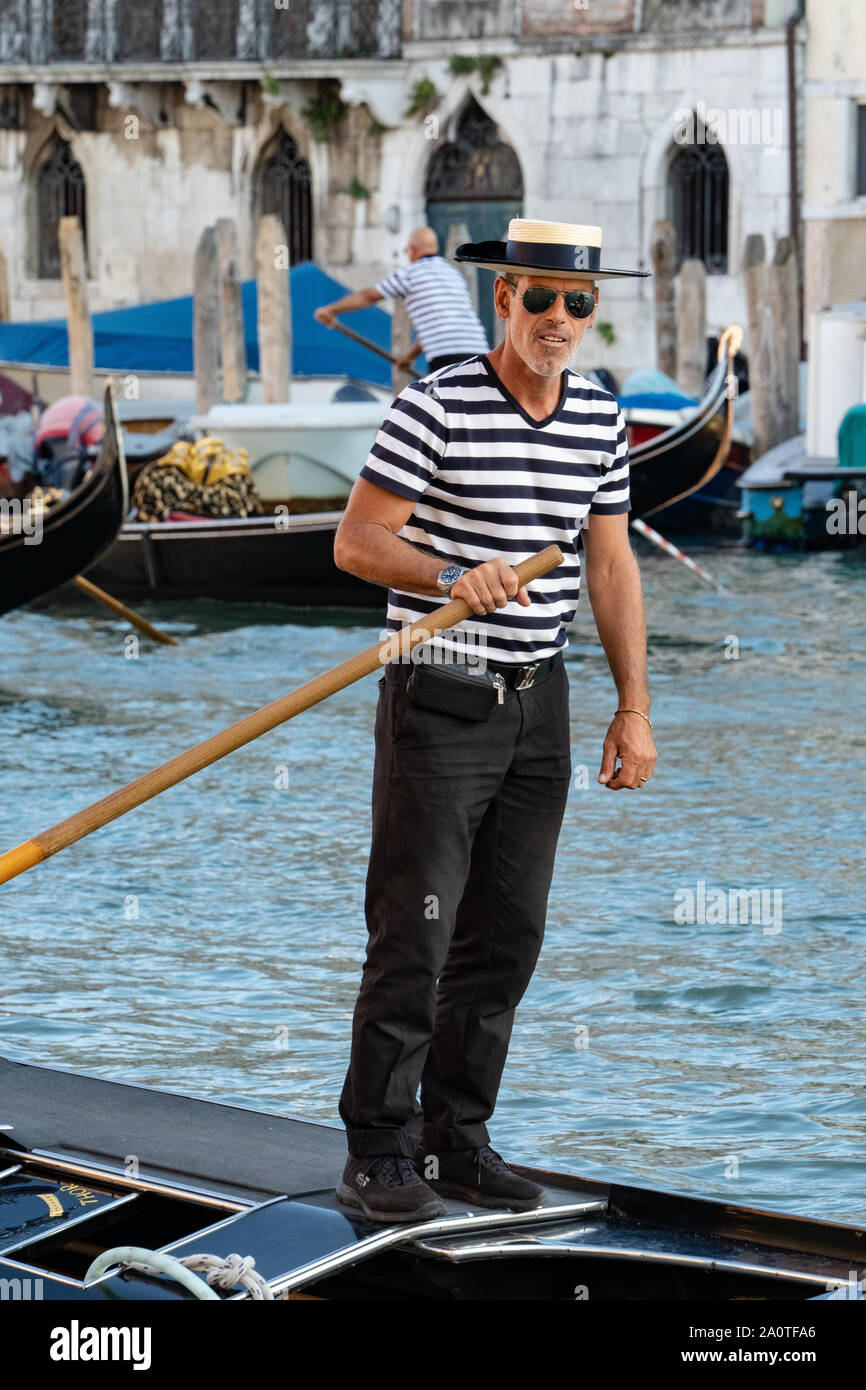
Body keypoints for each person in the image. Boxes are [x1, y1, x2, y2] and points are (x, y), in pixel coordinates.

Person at [332, 218, 657, 1224]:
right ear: (503, 298)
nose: (559, 318)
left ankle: (455, 1144)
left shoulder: (599, 418)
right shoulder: (434, 405)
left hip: (537, 702)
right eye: (541, 298)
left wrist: (633, 708)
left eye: (579, 303)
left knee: (506, 935)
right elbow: (355, 542)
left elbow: (607, 564)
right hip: (437, 689)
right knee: (415, 931)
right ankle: (378, 1151)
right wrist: (443, 574)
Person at [314, 226, 488, 374]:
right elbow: (439, 327)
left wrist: (331, 310)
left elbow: (368, 296)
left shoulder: (410, 274)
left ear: (412, 249)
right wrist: (409, 357)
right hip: (480, 352)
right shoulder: (452, 274)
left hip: (445, 356)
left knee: (443, 411)